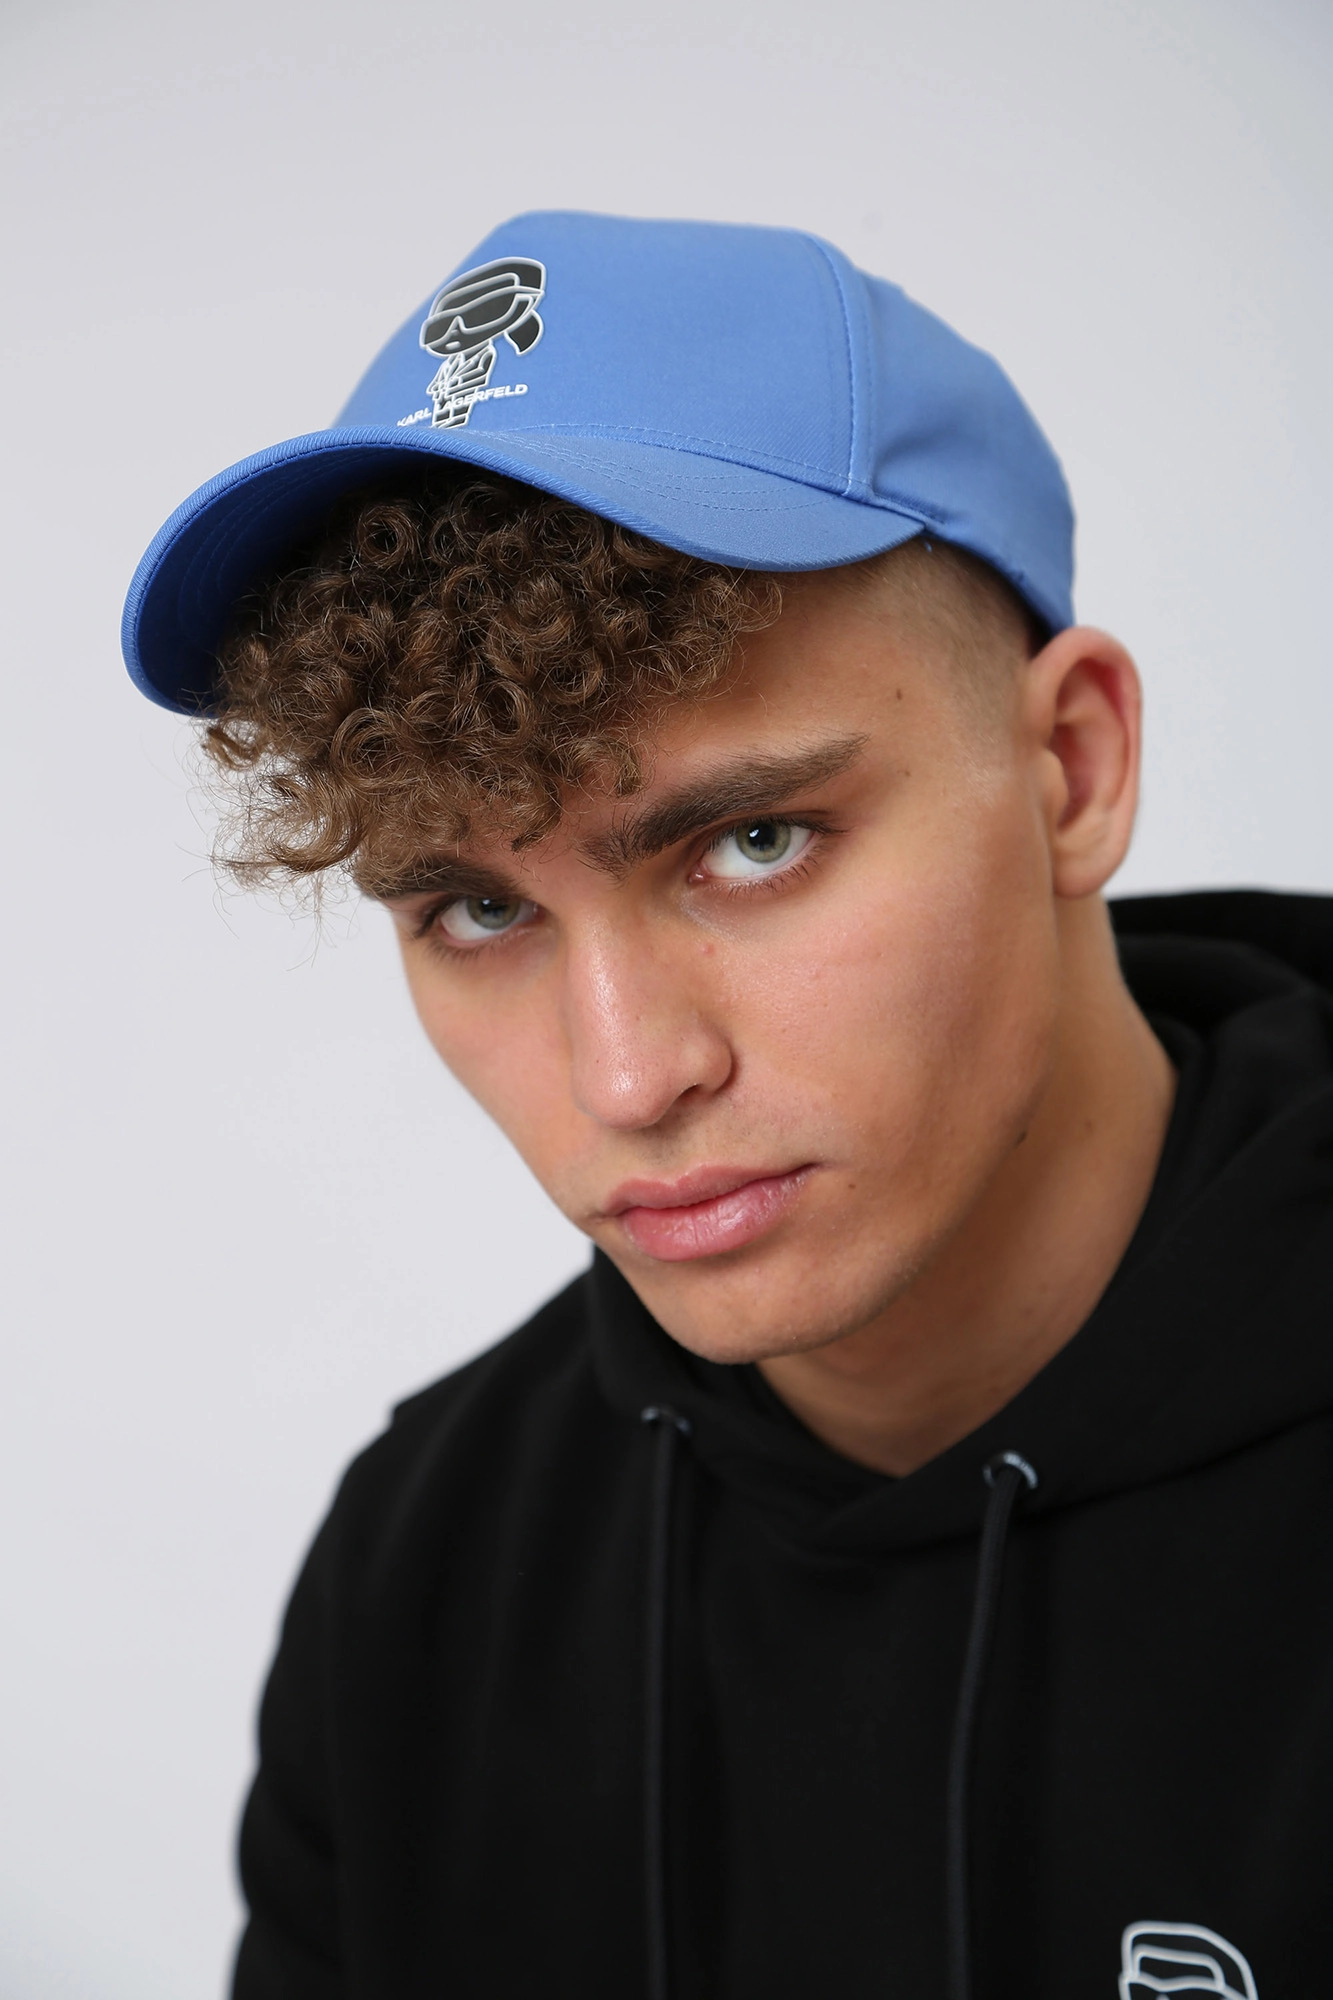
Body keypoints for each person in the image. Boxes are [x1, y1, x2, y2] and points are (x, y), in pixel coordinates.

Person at [123, 213, 1333, 2000]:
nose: (627, 1076)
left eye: (753, 843)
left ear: (1071, 770)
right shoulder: (427, 1576)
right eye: (477, 910)